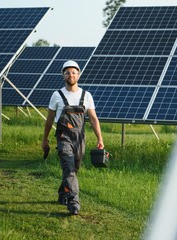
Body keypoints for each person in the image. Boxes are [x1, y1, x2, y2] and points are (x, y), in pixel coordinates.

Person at [41, 60, 104, 215]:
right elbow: (49, 119)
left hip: (80, 138)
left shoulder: (86, 95)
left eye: (74, 72)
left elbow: (94, 118)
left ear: (79, 75)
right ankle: (73, 203)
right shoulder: (57, 95)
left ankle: (63, 194)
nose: (71, 75)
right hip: (63, 137)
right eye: (68, 72)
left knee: (73, 169)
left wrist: (100, 139)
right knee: (69, 168)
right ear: (63, 75)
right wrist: (45, 139)